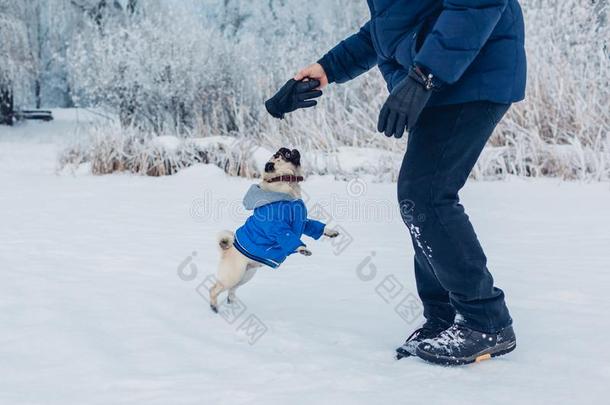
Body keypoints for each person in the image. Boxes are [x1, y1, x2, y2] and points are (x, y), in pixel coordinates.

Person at [264, 0, 526, 366]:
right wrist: (326, 69)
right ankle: (446, 316)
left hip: (471, 73)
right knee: (419, 197)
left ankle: (486, 321)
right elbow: (389, 28)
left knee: (426, 195)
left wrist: (424, 76)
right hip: (444, 79)